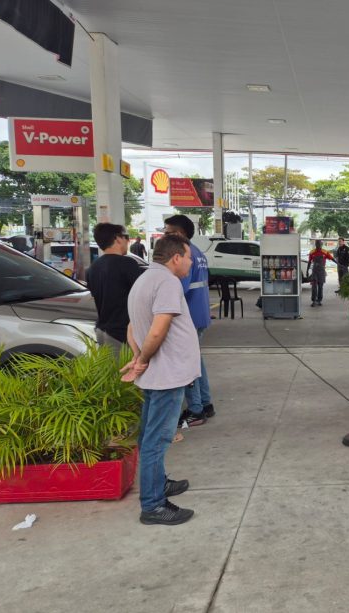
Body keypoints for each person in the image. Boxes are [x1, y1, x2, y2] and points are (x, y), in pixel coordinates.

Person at [122, 234, 199, 525]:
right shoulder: (167, 282)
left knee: (148, 435)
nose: (191, 262)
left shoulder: (144, 279)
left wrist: (138, 355)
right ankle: (153, 505)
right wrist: (142, 359)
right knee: (157, 439)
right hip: (166, 375)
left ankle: (159, 483)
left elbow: (132, 326)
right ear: (176, 257)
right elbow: (158, 329)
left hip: (158, 372)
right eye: (189, 257)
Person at [163, 215, 214, 427]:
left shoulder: (182, 254)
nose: (164, 237)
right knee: (195, 361)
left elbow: (178, 290)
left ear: (179, 233)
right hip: (199, 313)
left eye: (168, 233)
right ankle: (205, 403)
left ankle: (195, 410)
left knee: (187, 364)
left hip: (188, 318)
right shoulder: (198, 252)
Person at [86, 223, 143, 354]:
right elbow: (141, 296)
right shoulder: (128, 264)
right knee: (127, 372)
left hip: (102, 330)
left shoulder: (93, 268)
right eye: (126, 237)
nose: (128, 241)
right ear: (118, 238)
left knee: (110, 372)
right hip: (123, 333)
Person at [307, 239, 335, 307]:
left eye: (319, 244)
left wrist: (339, 264)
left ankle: (319, 300)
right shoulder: (312, 252)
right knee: (314, 286)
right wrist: (307, 270)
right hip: (315, 271)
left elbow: (332, 259)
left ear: (321, 244)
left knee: (320, 286)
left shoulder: (325, 252)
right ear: (315, 245)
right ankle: (313, 300)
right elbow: (309, 262)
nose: (318, 245)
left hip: (322, 271)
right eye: (317, 244)